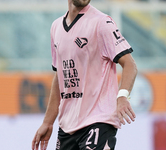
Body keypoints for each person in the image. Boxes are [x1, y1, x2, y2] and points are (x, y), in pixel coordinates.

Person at [32, 0, 137, 149]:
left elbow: (130, 64)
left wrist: (122, 96)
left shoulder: (102, 23)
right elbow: (60, 77)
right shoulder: (56, 27)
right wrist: (48, 122)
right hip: (67, 126)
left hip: (98, 121)